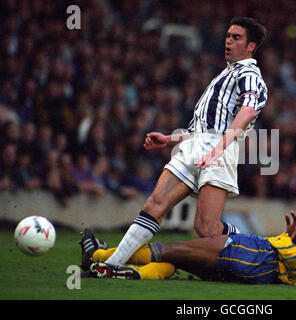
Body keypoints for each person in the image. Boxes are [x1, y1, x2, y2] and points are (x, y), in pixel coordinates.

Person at [81, 17, 269, 269]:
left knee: (206, 228)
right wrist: (170, 139)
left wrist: (218, 150)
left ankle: (259, 249)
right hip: (195, 146)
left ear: (250, 47)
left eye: (236, 37)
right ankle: (110, 264)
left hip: (220, 149)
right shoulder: (226, 74)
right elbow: (200, 129)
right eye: (227, 36)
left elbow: (246, 112)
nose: (228, 41)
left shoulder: (250, 73)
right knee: (154, 204)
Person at [84, 185, 296, 286]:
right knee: (179, 261)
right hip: (264, 273)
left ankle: (98, 255)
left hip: (261, 253)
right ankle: (136, 274)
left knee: (171, 249)